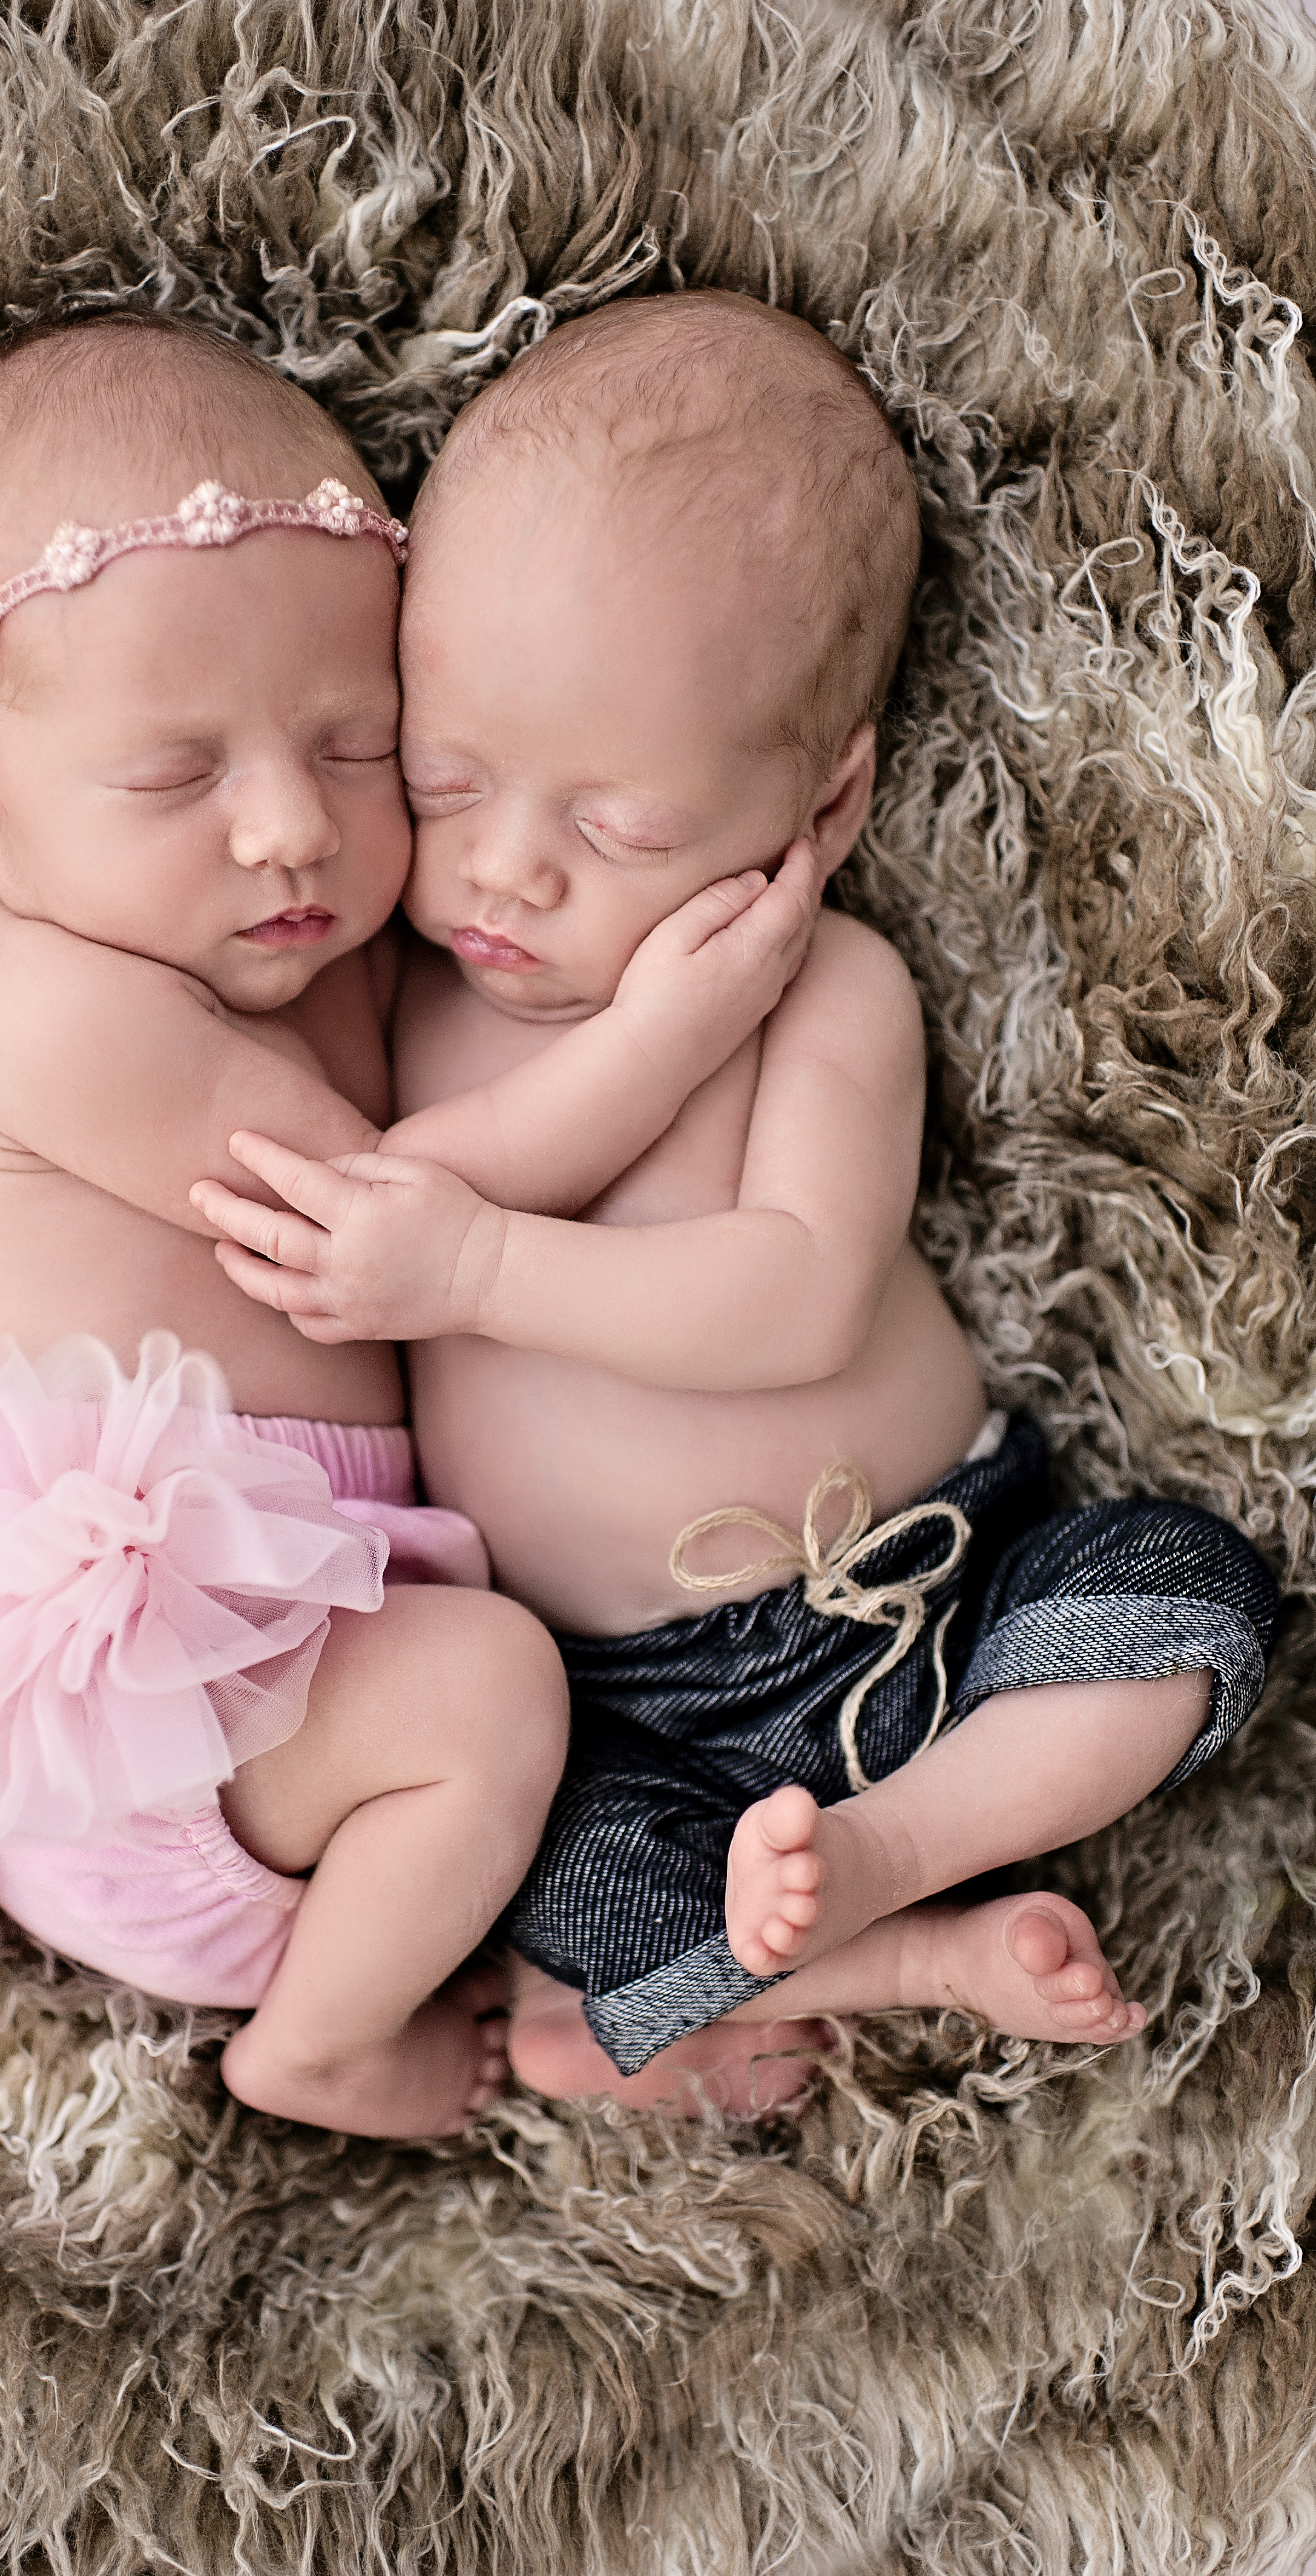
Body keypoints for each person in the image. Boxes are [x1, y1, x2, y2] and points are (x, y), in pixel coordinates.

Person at [0, 310, 825, 2139]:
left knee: (593, 1731)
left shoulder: (313, 959)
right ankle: (319, 2045)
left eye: (360, 751)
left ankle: (589, 1982)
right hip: (138, 1723)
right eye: (176, 776)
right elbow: (393, 1206)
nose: (290, 830)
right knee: (499, 1693)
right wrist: (670, 1029)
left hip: (286, 1680)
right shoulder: (50, 1004)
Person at [194, 292, 1280, 2116]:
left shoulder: (825, 991)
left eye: (618, 827)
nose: (507, 869)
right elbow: (373, 1197)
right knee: (549, 1864)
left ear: (825, 796)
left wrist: (474, 1264)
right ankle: (896, 1947)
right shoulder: (396, 991)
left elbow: (794, 1300)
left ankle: (901, 1852)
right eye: (446, 780)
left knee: (1186, 1600)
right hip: (640, 1709)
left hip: (949, 1582)